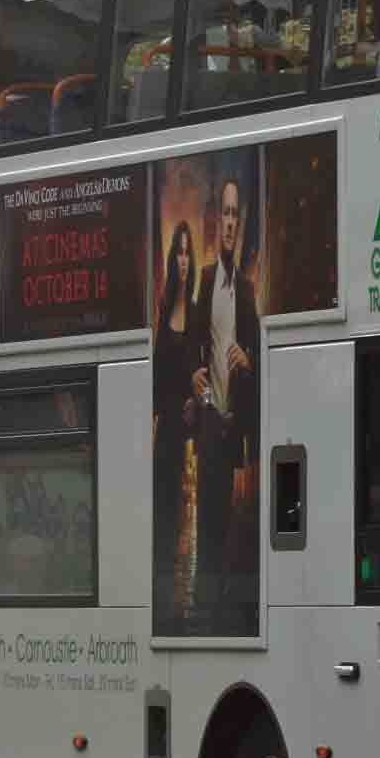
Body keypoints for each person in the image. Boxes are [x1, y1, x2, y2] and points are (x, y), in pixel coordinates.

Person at [189, 174, 260, 634]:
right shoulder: (205, 280)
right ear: (217, 220)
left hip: (236, 423)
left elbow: (256, 350)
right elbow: (192, 347)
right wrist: (191, 380)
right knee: (208, 520)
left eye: (237, 214)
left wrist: (250, 359)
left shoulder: (248, 291)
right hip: (210, 417)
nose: (231, 223)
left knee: (237, 520)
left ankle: (232, 608)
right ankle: (203, 608)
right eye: (226, 213)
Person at [152, 222, 204, 625]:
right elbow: (155, 380)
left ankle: (185, 606)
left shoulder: (199, 312)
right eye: (179, 253)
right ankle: (164, 604)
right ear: (173, 258)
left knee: (188, 518)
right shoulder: (163, 308)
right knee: (164, 517)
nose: (184, 261)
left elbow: (203, 376)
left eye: (188, 253)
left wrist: (195, 402)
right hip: (167, 431)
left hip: (190, 432)